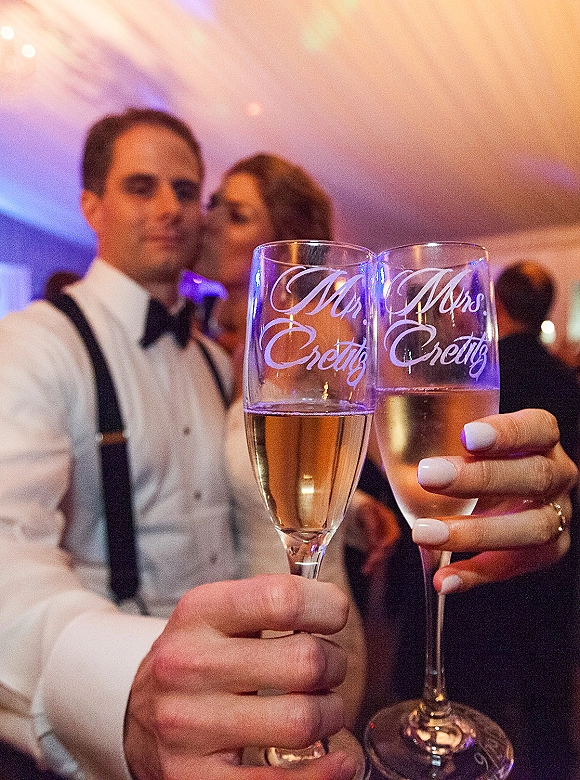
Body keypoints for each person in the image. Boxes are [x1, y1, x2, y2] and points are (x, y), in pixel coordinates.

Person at [0, 107, 576, 780]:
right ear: (90, 205)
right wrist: (120, 686)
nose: (177, 211)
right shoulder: (31, 345)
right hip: (113, 739)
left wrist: (406, 504)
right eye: (140, 186)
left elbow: (269, 479)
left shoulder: (218, 363)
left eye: (190, 191)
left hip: (275, 679)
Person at [388, 260, 580, 780]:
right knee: (547, 722)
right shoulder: (568, 378)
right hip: (547, 595)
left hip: (468, 598)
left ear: (492, 308)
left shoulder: (458, 374)